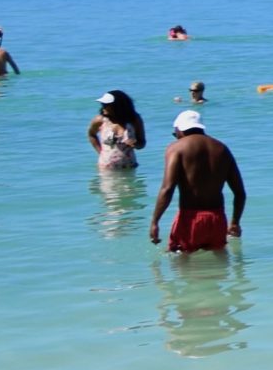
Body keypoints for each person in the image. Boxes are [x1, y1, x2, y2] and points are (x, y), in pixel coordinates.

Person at [151, 111, 247, 253]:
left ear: (180, 130)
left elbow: (167, 188)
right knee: (219, 265)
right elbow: (240, 193)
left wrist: (155, 222)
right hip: (217, 219)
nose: (176, 137)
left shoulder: (176, 148)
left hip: (189, 219)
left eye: (175, 133)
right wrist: (235, 223)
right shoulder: (222, 149)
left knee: (180, 265)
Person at [88, 91, 149, 170]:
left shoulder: (134, 120)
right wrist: (101, 153)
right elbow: (91, 134)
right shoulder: (100, 120)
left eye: (106, 105)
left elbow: (142, 143)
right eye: (103, 104)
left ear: (117, 106)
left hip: (129, 168)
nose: (103, 107)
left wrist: (135, 143)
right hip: (106, 169)